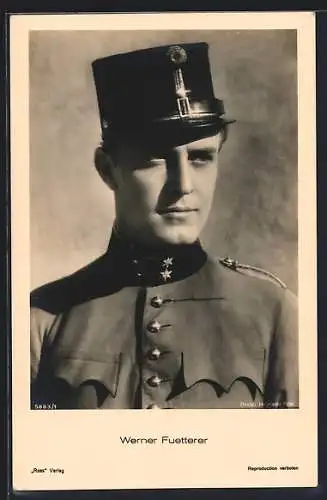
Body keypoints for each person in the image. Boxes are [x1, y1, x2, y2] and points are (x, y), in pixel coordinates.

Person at [30, 42, 298, 410]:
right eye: (155, 159)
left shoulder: (274, 313)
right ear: (108, 170)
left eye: (201, 158)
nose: (184, 184)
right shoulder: (42, 319)